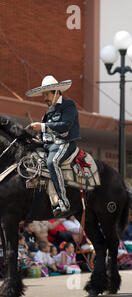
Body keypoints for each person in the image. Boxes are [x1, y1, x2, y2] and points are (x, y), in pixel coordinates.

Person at [25, 75, 81, 216]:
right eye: (43, 95)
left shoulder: (69, 105)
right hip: (49, 145)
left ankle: (63, 201)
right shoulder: (48, 111)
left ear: (56, 92)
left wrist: (42, 126)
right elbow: (44, 135)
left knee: (52, 162)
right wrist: (33, 139)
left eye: (46, 94)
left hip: (65, 143)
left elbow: (65, 126)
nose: (44, 98)